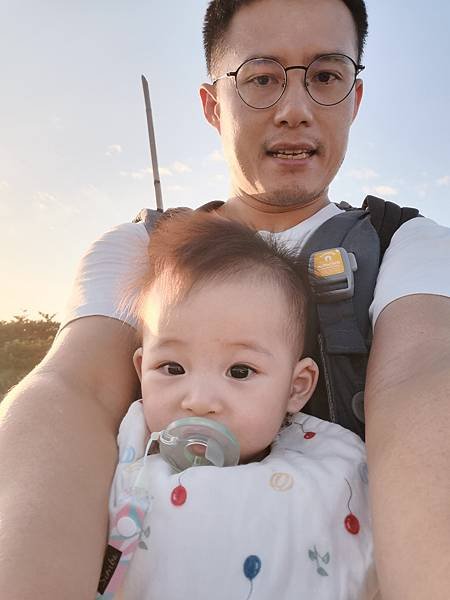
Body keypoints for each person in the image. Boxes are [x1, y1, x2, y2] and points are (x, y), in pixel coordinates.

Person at [1, 1, 449, 599]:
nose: (295, 110)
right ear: (213, 104)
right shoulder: (140, 247)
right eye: (262, 77)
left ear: (355, 99)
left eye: (326, 77)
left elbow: (423, 380)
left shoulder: (406, 243)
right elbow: (69, 389)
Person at [102, 210, 377, 600]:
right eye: (172, 367)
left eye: (241, 371)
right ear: (141, 369)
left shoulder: (335, 465)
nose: (198, 401)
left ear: (296, 388)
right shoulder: (116, 454)